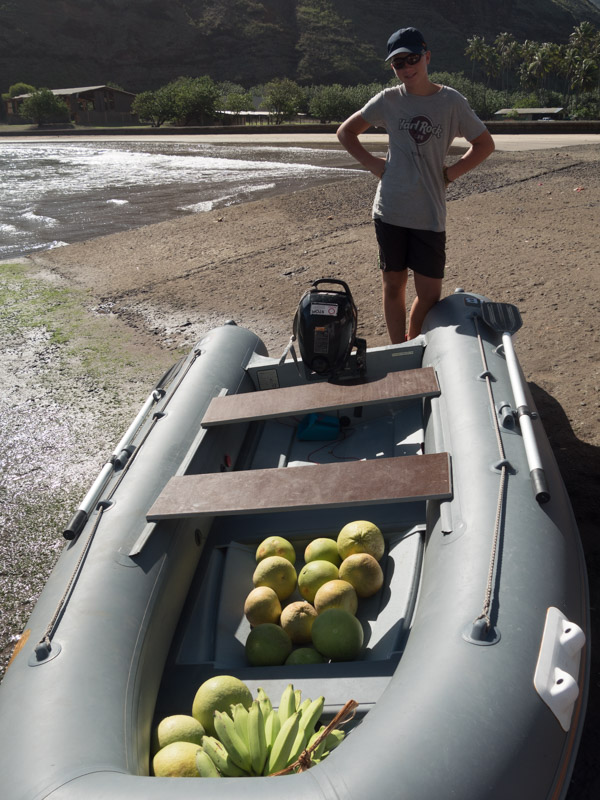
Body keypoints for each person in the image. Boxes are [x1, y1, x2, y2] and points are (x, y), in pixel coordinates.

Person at [337, 27, 495, 342]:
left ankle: (414, 339)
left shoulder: (451, 101)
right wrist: (374, 165)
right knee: (393, 285)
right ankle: (400, 349)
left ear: (427, 57)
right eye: (398, 64)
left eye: (412, 59)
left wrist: (451, 173)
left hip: (429, 214)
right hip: (390, 209)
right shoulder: (388, 100)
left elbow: (484, 144)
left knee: (430, 292)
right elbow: (346, 132)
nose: (407, 68)